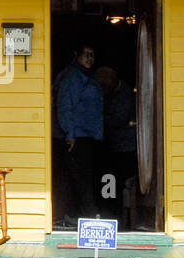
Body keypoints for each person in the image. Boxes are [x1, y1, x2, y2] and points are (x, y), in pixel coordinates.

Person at [54, 43, 104, 220]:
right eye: (86, 54)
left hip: (86, 134)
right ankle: (84, 216)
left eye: (92, 55)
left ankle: (78, 215)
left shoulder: (85, 75)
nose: (90, 58)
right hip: (76, 136)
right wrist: (70, 133)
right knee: (78, 177)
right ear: (77, 55)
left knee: (82, 176)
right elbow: (66, 106)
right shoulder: (73, 77)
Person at [95, 66, 138, 225]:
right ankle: (111, 215)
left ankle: (115, 219)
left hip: (124, 147)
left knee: (114, 182)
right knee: (110, 181)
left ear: (111, 81)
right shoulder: (114, 92)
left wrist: (97, 119)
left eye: (103, 84)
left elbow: (119, 119)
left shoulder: (125, 94)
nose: (102, 88)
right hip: (115, 145)